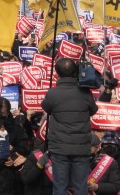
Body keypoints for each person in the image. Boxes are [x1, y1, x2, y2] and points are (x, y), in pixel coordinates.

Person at [41, 57, 99, 195]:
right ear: (75, 72)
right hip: (81, 147)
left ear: (57, 73)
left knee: (60, 186)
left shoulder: (52, 93)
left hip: (60, 148)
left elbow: (46, 109)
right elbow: (93, 111)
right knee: (80, 186)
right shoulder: (85, 92)